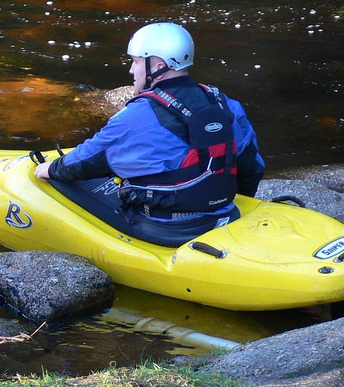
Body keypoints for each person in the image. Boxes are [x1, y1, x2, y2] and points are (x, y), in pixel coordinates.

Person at [33, 22, 265, 246]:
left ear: (158, 66)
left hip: (164, 228)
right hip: (224, 216)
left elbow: (89, 159)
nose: (131, 70)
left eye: (136, 62)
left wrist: (52, 168)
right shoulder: (225, 104)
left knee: (78, 181)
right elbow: (251, 167)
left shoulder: (137, 115)